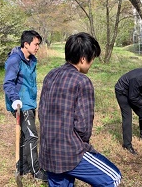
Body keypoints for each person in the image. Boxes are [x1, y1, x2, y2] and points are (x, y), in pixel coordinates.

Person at [38, 32, 122, 187]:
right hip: (70, 153)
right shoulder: (82, 81)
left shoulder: (51, 74)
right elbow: (83, 127)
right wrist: (84, 146)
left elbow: (41, 112)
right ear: (83, 58)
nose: (92, 63)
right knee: (113, 177)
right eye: (92, 58)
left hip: (47, 151)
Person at [3, 30, 47, 181]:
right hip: (21, 104)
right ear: (26, 44)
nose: (37, 47)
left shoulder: (32, 59)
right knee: (32, 135)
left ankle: (23, 167)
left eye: (38, 45)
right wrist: (15, 99)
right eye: (35, 44)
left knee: (24, 136)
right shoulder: (15, 60)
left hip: (29, 101)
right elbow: (8, 83)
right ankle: (36, 171)